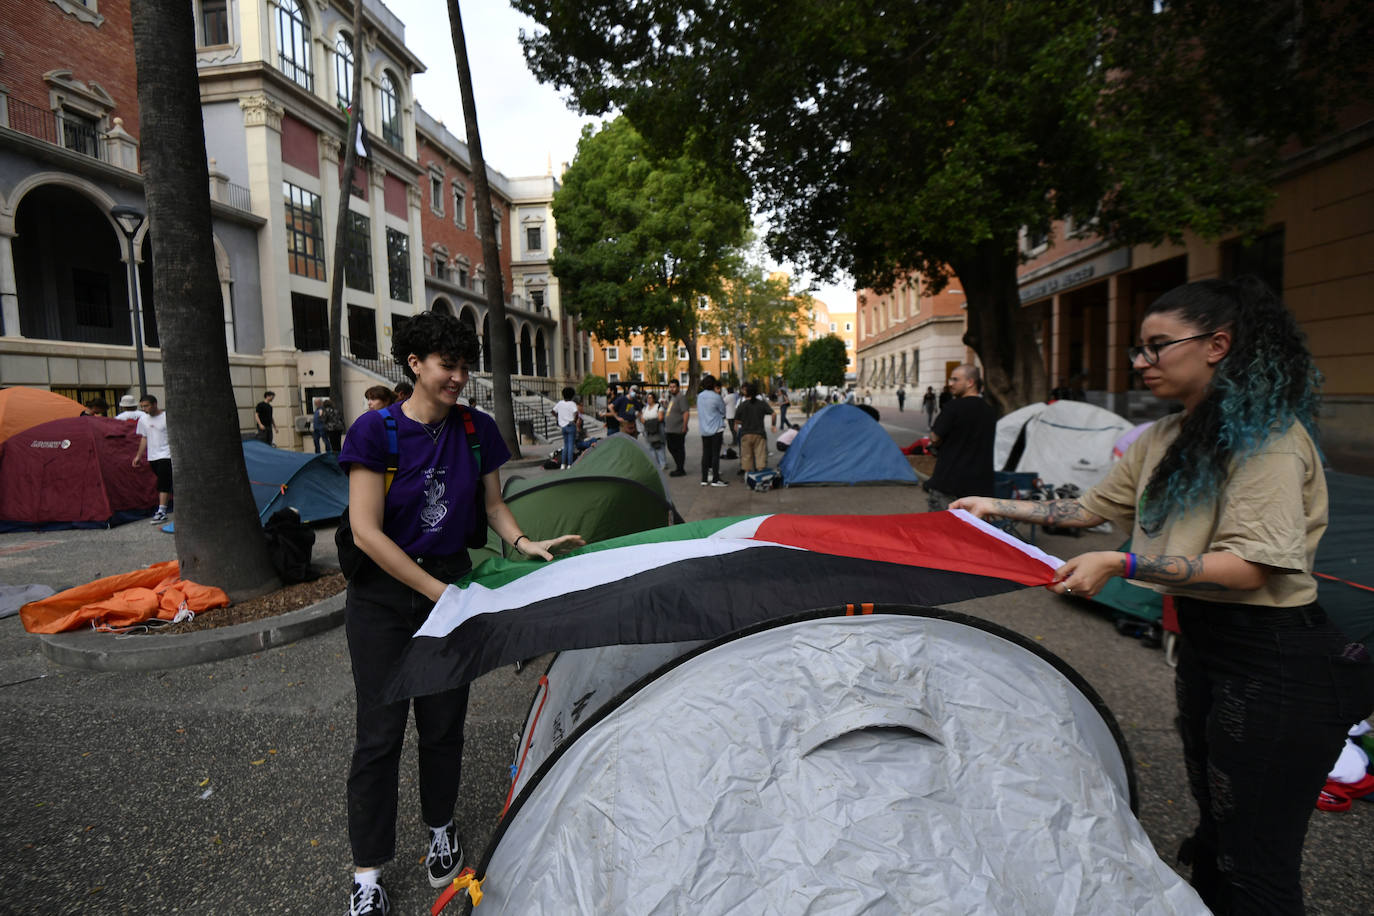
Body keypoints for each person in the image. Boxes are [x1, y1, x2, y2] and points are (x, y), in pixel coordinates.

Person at [953, 277, 1374, 915]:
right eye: (1139, 351)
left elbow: (1249, 566)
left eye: (1156, 347)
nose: (1141, 364)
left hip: (1276, 660)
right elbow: (1089, 508)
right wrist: (995, 505)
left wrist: (1121, 563)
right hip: (1208, 645)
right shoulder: (1163, 437)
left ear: (1217, 345)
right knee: (1214, 826)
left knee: (1254, 857)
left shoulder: (1268, 440)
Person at [337, 311, 583, 916]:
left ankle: (440, 829)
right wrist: (434, 593)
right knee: (379, 734)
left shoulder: (477, 429)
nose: (459, 378)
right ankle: (367, 873)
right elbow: (364, 532)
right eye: (447, 366)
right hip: (386, 599)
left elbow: (494, 505)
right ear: (415, 365)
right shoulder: (375, 431)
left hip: (450, 585)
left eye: (464, 365)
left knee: (444, 724)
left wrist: (526, 544)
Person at [924, 364, 996, 510]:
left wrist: (936, 440)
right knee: (972, 531)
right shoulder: (990, 410)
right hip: (980, 487)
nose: (950, 384)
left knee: (941, 528)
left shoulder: (953, 407)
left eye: (955, 380)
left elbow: (935, 437)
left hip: (949, 483)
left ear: (970, 382)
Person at [132, 395, 172, 523]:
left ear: (155, 404)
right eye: (142, 406)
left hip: (167, 454)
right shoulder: (143, 420)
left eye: (146, 406)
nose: (144, 409)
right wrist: (139, 456)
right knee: (164, 482)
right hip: (153, 456)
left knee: (163, 482)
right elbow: (144, 437)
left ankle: (162, 511)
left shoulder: (166, 417)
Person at [697, 374, 727, 487]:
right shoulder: (716, 397)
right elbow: (723, 411)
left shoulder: (699, 396)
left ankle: (704, 478)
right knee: (715, 455)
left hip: (704, 429)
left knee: (705, 454)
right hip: (716, 429)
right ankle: (715, 479)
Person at [735, 382, 772, 474]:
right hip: (759, 434)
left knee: (746, 457)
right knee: (760, 456)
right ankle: (760, 476)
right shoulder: (761, 404)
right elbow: (773, 413)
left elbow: (737, 421)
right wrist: (773, 425)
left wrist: (745, 421)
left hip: (745, 433)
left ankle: (747, 476)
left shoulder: (742, 405)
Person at [663, 379, 689, 477]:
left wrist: (684, 426)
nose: (672, 389)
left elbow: (686, 412)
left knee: (678, 448)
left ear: (678, 387)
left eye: (674, 387)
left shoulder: (681, 397)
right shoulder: (673, 397)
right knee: (671, 447)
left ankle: (680, 468)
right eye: (670, 387)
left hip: (678, 429)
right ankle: (679, 466)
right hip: (670, 429)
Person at [552, 386, 581, 469]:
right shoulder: (572, 404)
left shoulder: (560, 403)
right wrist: (574, 421)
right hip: (571, 425)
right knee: (571, 445)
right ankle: (570, 464)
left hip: (563, 426)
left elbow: (553, 411)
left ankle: (563, 464)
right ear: (572, 395)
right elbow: (577, 414)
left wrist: (558, 417)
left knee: (565, 445)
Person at [640, 391, 667, 469]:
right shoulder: (645, 408)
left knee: (659, 447)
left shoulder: (659, 407)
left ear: (654, 398)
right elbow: (641, 419)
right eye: (647, 398)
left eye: (650, 397)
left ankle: (663, 464)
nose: (648, 399)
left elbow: (660, 417)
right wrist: (649, 421)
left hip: (658, 430)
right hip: (648, 430)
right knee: (650, 447)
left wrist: (648, 421)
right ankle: (655, 464)